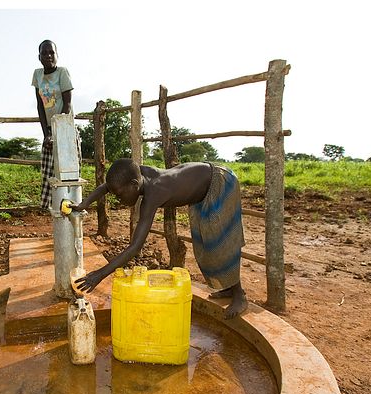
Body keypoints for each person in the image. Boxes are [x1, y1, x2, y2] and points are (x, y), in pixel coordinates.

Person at [70, 159, 248, 319]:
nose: (118, 198)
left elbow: (135, 247)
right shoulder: (136, 175)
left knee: (222, 240)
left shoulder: (154, 193)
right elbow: (106, 187)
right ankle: (228, 287)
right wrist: (83, 204)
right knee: (206, 241)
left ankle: (239, 295)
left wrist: (99, 275)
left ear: (134, 185)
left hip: (220, 183)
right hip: (202, 187)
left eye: (120, 195)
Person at [32, 39, 73, 210]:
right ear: (39, 56)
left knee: (67, 174)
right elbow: (40, 106)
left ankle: (70, 208)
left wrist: (57, 133)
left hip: (65, 130)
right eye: (44, 53)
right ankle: (53, 211)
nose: (48, 56)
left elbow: (67, 104)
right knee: (48, 174)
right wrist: (46, 135)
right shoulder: (37, 74)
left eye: (52, 52)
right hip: (49, 131)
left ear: (57, 55)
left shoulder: (63, 73)